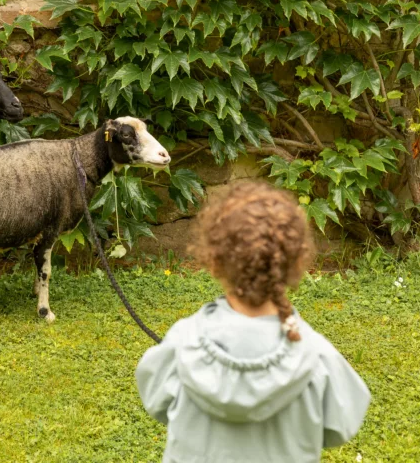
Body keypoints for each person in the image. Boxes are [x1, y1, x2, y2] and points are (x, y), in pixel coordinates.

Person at [136, 181, 371, 462]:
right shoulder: (317, 356)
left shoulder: (182, 342)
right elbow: (339, 426)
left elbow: (155, 401)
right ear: (296, 263)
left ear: (214, 261)